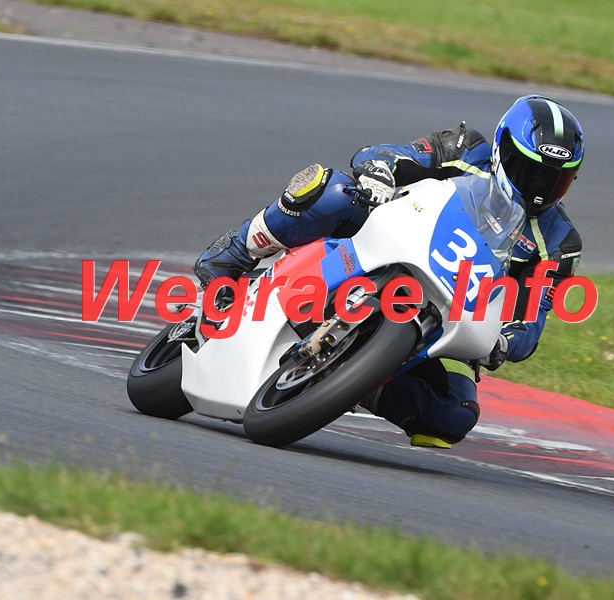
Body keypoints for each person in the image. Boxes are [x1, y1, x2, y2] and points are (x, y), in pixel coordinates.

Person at [193, 95, 585, 448]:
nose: (539, 188)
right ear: (502, 149)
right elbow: (382, 154)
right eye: (529, 169)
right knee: (333, 190)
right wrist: (379, 172)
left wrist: (502, 342)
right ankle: (234, 252)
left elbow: (530, 322)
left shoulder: (561, 243)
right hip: (389, 236)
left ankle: (353, 380)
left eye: (556, 179)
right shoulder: (466, 149)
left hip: (454, 310)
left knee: (454, 413)